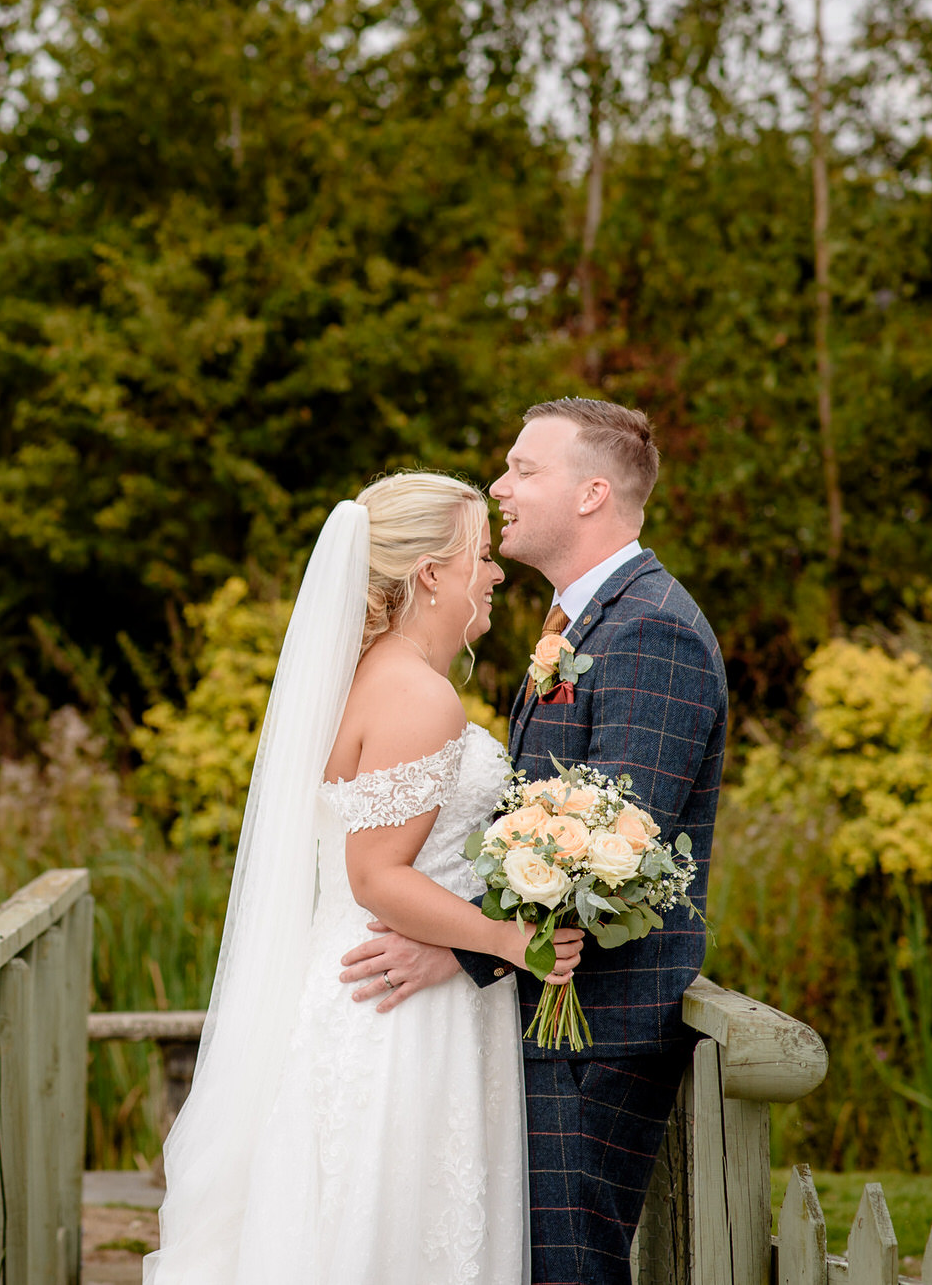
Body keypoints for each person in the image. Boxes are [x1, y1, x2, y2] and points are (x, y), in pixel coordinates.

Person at [145, 470, 582, 1285]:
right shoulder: (421, 696)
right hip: (400, 1008)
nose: (493, 574)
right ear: (430, 574)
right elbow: (376, 875)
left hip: (362, 981)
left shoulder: (367, 676)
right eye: (480, 556)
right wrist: (508, 940)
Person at [339, 399, 728, 1285]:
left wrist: (463, 949)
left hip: (592, 1028)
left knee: (569, 1270)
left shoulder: (649, 630)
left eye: (524, 469)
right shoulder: (581, 624)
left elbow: (618, 846)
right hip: (545, 1010)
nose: (500, 486)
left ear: (593, 493)